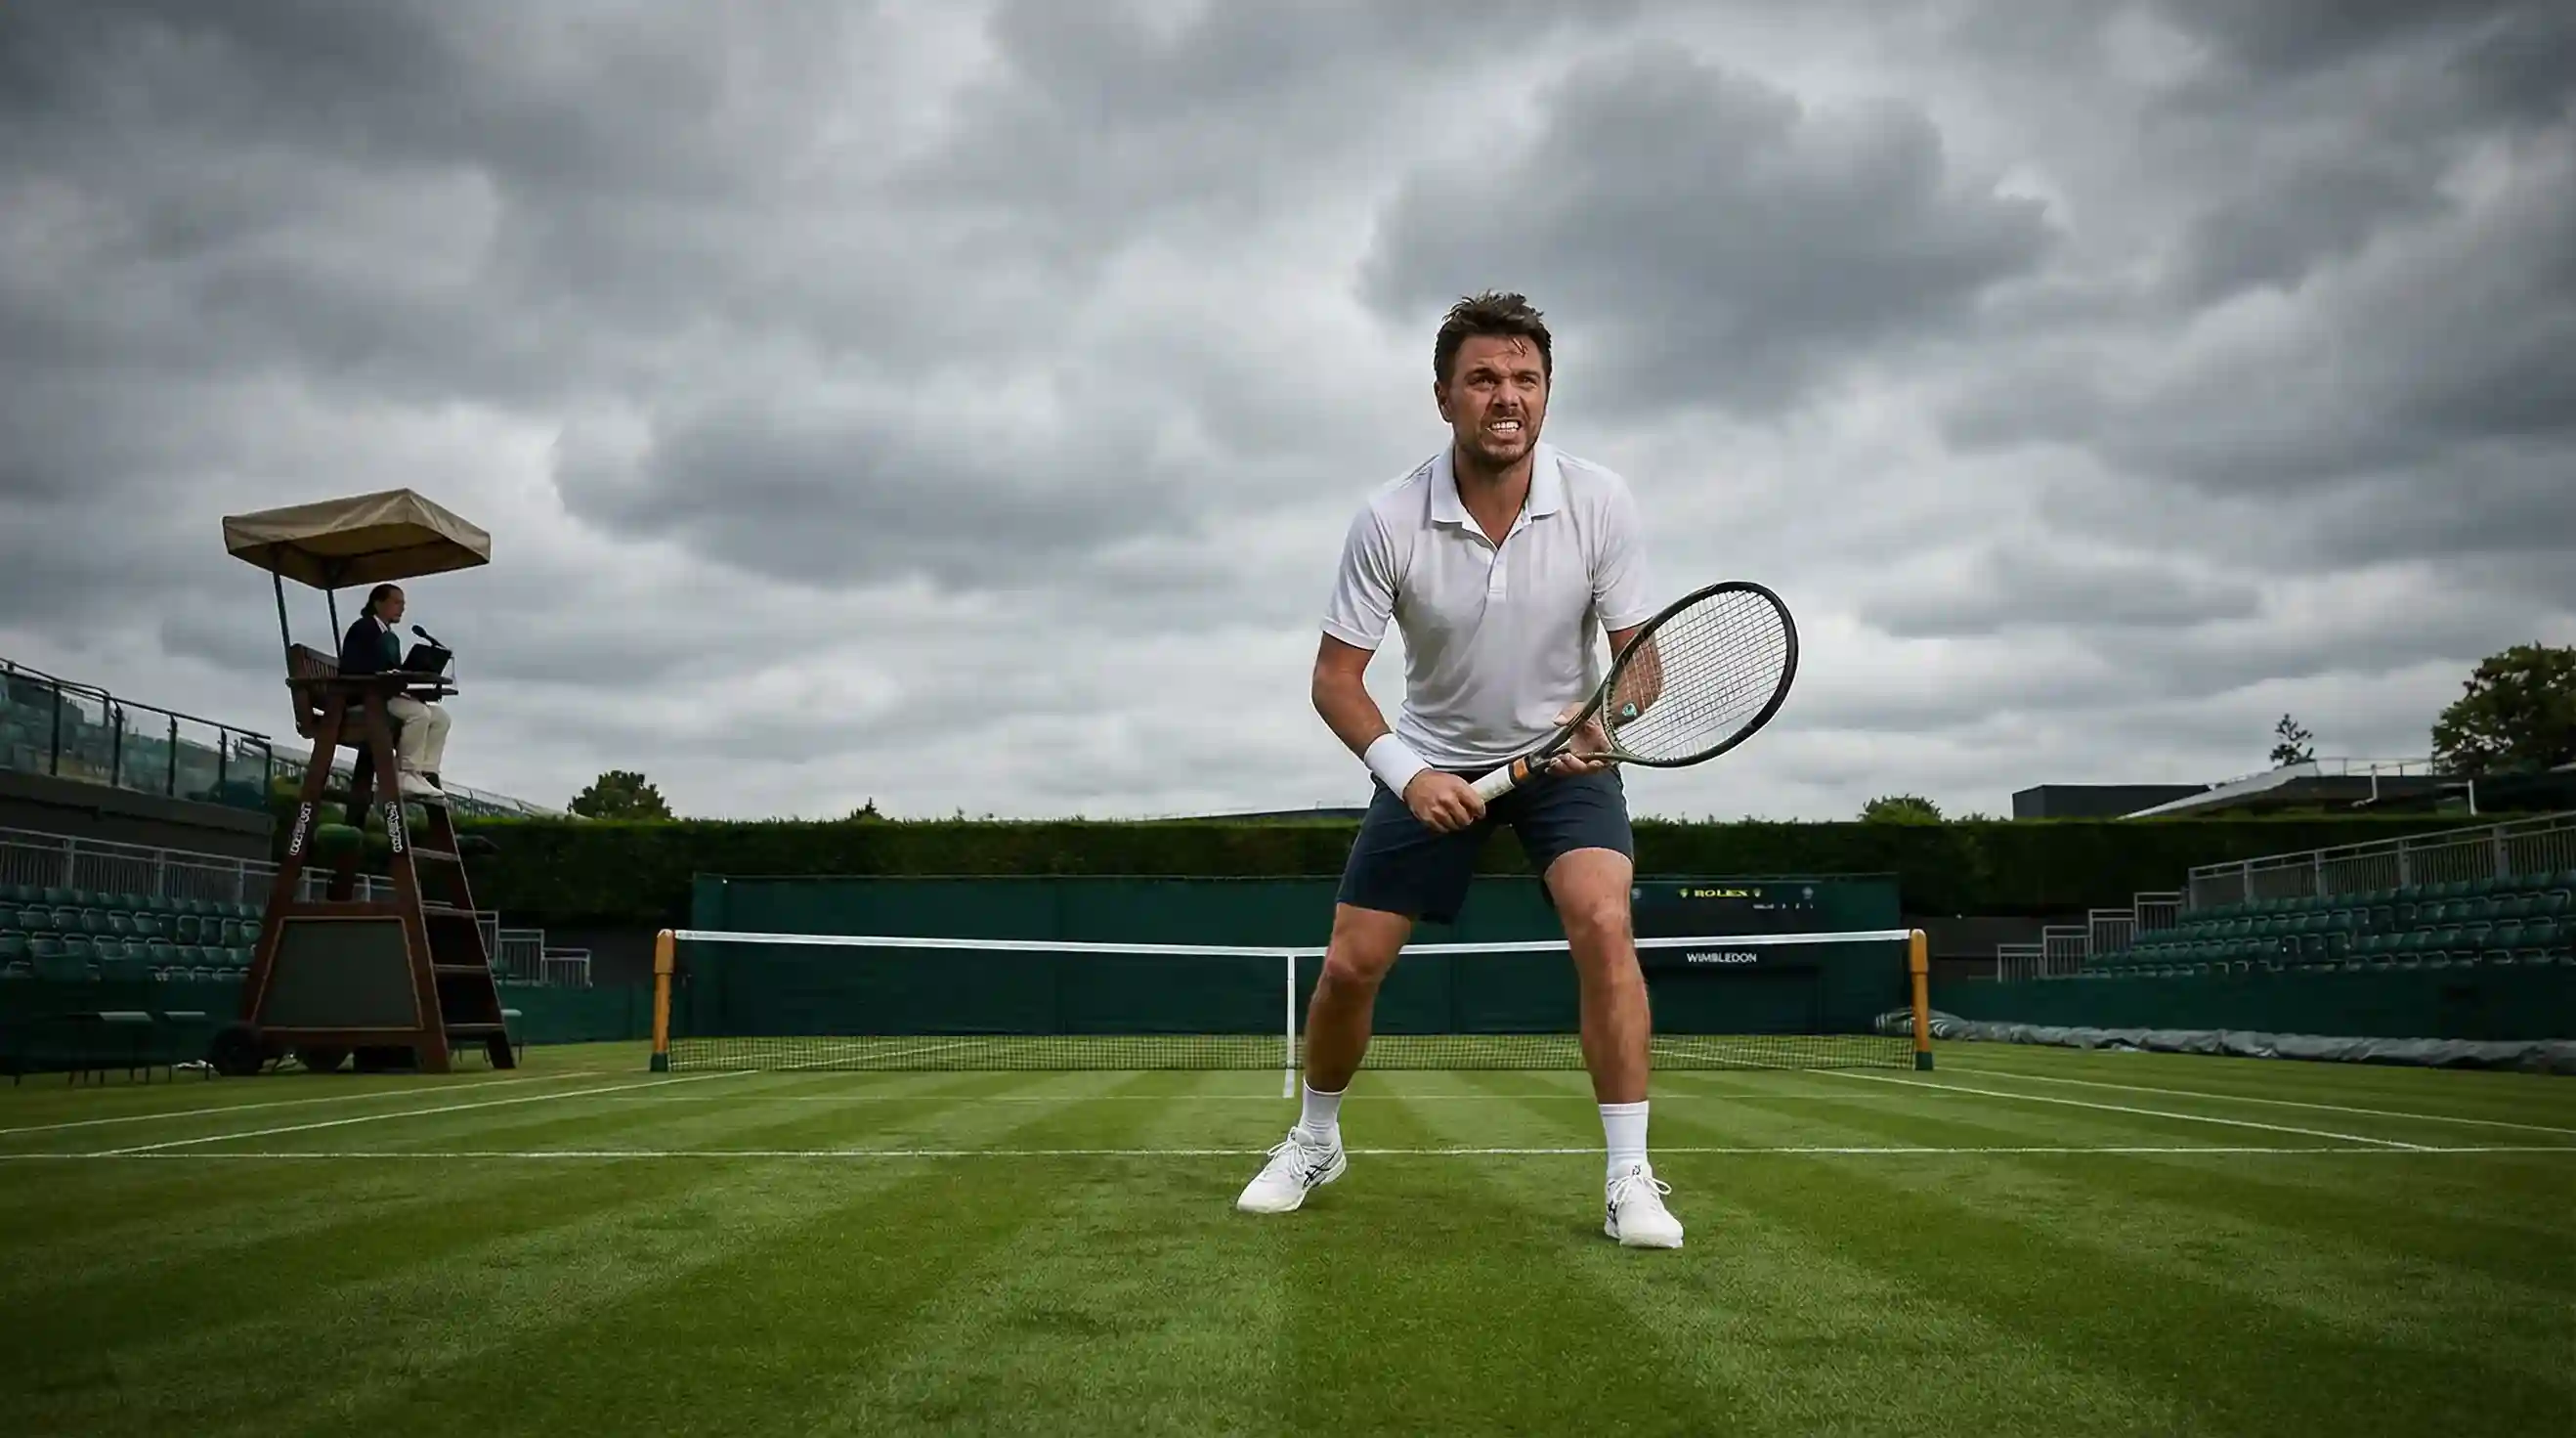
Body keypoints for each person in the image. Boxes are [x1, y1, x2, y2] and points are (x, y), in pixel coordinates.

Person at [1234, 291, 1684, 1248]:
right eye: (1483, 378)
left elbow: (1640, 661)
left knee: (1604, 921)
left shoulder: (1599, 500)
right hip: (1432, 758)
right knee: (1350, 966)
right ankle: (1315, 1140)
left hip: (1566, 763)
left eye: (1525, 379)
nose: (1505, 396)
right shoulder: (1387, 518)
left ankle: (1628, 1175)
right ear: (1443, 397)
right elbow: (1333, 679)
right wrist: (1405, 773)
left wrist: (1610, 715)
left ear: (1547, 395)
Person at [338, 583, 451, 801]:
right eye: (396, 602)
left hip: (386, 695)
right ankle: (406, 773)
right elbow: (352, 667)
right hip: (367, 698)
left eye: (403, 604)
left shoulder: (391, 637)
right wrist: (386, 678)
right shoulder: (363, 629)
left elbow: (392, 671)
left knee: (440, 718)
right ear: (378, 603)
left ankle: (426, 773)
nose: (401, 608)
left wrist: (403, 682)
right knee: (419, 714)